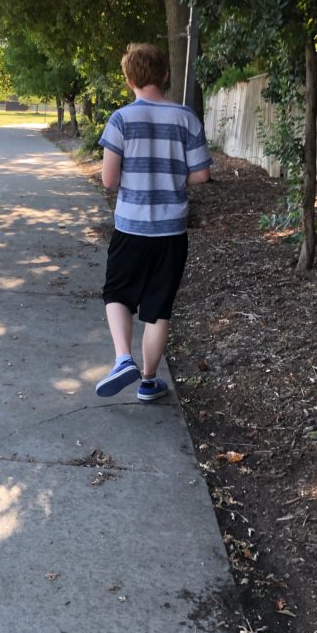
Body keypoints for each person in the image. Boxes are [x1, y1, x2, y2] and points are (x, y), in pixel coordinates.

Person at [95, 43, 211, 402]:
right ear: (164, 75)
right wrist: (172, 178)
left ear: (129, 79)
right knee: (159, 307)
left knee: (117, 292)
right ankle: (147, 382)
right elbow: (201, 175)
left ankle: (121, 360)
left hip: (131, 226)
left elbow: (109, 180)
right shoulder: (186, 117)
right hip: (171, 231)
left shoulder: (121, 119)